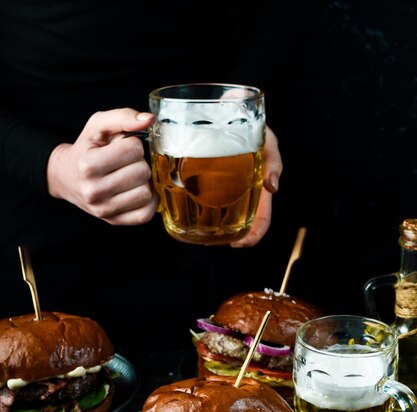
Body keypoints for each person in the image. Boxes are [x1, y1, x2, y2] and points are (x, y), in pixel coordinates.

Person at [0, 1, 318, 358]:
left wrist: (240, 110)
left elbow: (279, 11)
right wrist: (49, 164)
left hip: (216, 204)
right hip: (37, 219)